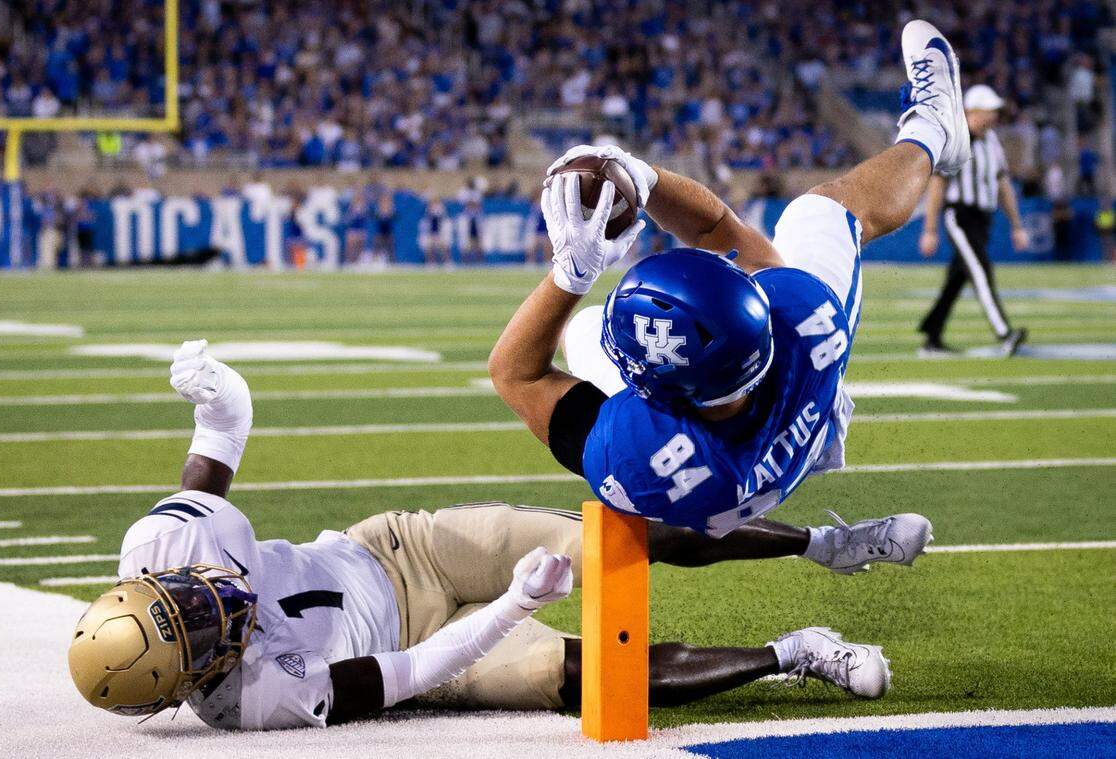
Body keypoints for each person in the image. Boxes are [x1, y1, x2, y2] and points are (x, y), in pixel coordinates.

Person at [69, 341, 903, 731]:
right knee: (601, 674)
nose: (213, 603)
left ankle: (821, 545)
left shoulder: (162, 544)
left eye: (186, 601)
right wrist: (512, 605)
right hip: (431, 642)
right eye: (203, 631)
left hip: (399, 547)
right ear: (184, 685)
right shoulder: (249, 701)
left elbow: (221, 437)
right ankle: (794, 651)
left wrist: (215, 394)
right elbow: (412, 670)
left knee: (634, 534)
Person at [488, 20, 959, 537]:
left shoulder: (638, 455)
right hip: (807, 412)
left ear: (650, 391)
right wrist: (646, 177)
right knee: (824, 214)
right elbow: (720, 229)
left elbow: (518, 374)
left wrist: (573, 272)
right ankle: (932, 126)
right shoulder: (802, 319)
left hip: (731, 482)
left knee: (582, 328)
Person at [918, 84, 1029, 357]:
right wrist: (930, 230)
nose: (994, 117)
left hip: (983, 219)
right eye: (989, 111)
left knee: (958, 278)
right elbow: (937, 186)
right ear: (971, 111)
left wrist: (1016, 225)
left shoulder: (992, 141)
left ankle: (932, 337)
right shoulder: (956, 139)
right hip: (960, 214)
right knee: (980, 270)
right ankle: (1005, 332)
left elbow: (1003, 185)